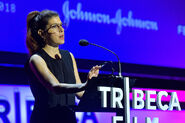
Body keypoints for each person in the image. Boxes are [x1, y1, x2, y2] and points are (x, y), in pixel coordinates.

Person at [25, 10, 101, 123]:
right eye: (54, 26)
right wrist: (85, 85)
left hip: (68, 118)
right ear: (41, 33)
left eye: (61, 25)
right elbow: (55, 86)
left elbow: (80, 94)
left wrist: (94, 86)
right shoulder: (36, 59)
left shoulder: (69, 56)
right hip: (46, 119)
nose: (61, 30)